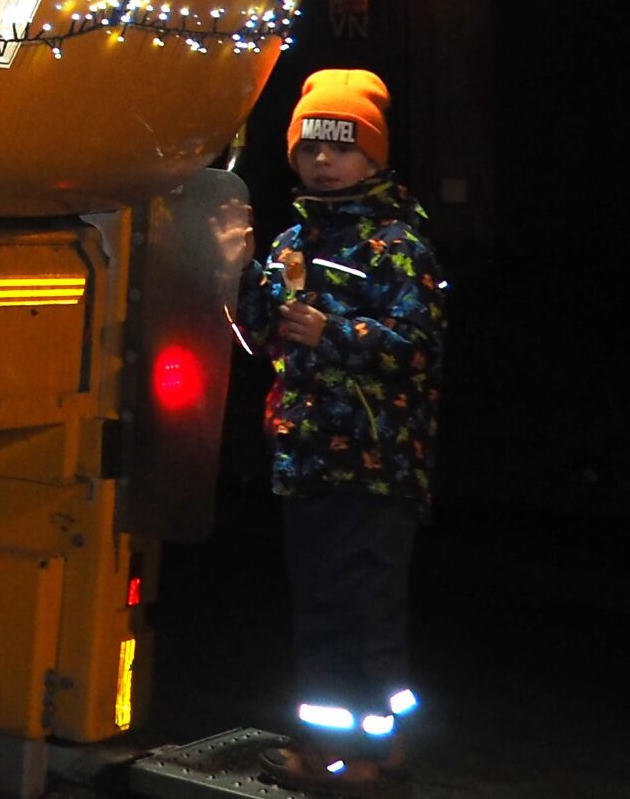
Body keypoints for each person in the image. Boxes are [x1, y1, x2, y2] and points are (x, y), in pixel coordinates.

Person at [236, 69, 445, 793]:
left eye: (343, 146)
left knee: (364, 615)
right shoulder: (292, 240)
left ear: (374, 155)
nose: (324, 160)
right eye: (311, 147)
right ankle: (330, 748)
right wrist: (242, 273)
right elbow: (259, 336)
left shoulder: (399, 244)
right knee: (321, 610)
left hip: (376, 467)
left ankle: (374, 755)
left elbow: (418, 348)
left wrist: (332, 331)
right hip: (305, 462)